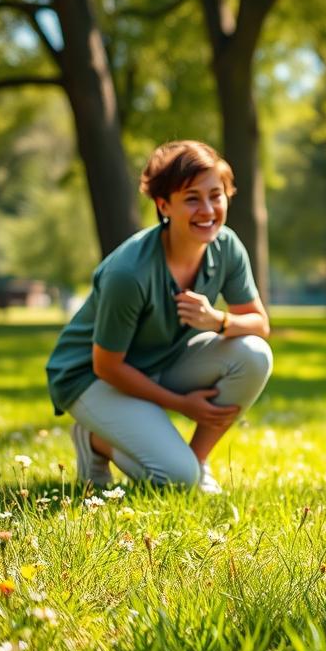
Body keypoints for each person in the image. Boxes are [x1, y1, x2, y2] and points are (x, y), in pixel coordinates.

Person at [46, 140, 273, 493]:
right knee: (174, 479)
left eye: (216, 195)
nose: (208, 209)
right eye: (192, 198)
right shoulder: (129, 272)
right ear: (164, 205)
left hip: (160, 360)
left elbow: (259, 324)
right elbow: (106, 366)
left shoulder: (226, 246)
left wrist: (218, 321)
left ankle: (198, 462)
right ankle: (95, 440)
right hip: (91, 377)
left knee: (254, 355)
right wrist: (181, 404)